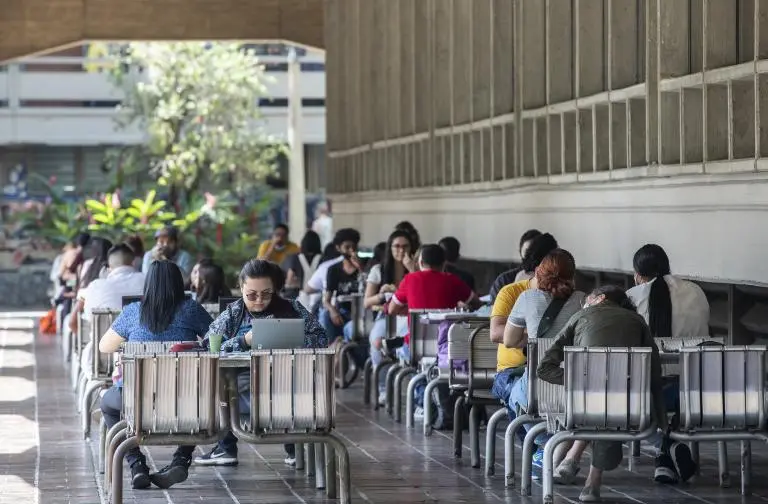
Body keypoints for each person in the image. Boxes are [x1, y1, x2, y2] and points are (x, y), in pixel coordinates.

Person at [536, 285, 666, 502]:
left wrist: (580, 380)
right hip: (628, 409)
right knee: (612, 401)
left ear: (600, 298)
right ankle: (591, 483)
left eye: (588, 298)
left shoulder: (580, 316)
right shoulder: (637, 321)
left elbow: (544, 367)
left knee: (596, 400)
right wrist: (661, 418)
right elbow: (653, 372)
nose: (585, 302)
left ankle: (571, 461)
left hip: (581, 407)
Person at [195, 259, 327, 467]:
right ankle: (226, 447)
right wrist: (243, 341)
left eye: (266, 294)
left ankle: (293, 446)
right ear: (241, 288)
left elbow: (321, 338)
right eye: (251, 295)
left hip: (288, 385)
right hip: (243, 387)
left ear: (275, 289)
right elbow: (209, 347)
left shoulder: (293, 309)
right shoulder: (233, 313)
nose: (259, 300)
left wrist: (293, 340)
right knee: (218, 388)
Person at [98, 261, 214, 490]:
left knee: (107, 404)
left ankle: (136, 464)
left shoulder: (133, 312)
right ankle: (182, 458)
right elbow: (216, 339)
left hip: (136, 401)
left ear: (148, 284)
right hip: (185, 401)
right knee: (210, 402)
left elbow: (104, 346)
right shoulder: (191, 309)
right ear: (178, 284)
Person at [626, 244, 707, 483]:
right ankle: (666, 456)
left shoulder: (631, 297)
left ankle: (665, 447)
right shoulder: (696, 292)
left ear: (638, 274)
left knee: (628, 401)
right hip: (695, 388)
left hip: (650, 392)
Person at [489, 233, 559, 407]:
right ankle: (536, 435)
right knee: (523, 398)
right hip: (510, 372)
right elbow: (496, 333)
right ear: (538, 270)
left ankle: (541, 434)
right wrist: (536, 336)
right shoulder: (511, 292)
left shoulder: (567, 296)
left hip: (550, 369)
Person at [389, 244, 477, 359]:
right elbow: (477, 303)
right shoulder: (453, 281)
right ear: (444, 264)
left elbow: (391, 310)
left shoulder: (409, 279)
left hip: (415, 348)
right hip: (447, 349)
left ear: (420, 263)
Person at [364, 230, 416, 402]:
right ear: (390, 248)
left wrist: (412, 269)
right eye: (396, 246)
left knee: (409, 339)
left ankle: (411, 387)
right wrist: (382, 294)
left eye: (405, 246)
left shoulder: (416, 269)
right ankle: (383, 388)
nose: (400, 250)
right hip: (386, 315)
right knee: (376, 340)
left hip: (408, 315)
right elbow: (367, 302)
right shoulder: (379, 270)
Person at [626, 244, 710, 339]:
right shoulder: (695, 290)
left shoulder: (631, 297)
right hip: (695, 353)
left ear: (638, 275)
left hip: (650, 354)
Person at [68, 244, 145, 334]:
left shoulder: (95, 286)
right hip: (145, 346)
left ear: (109, 267)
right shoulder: (149, 281)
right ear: (134, 263)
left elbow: (72, 322)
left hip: (103, 346)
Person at [320, 228, 363, 344]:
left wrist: (360, 268)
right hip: (343, 311)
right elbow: (326, 300)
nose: (351, 251)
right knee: (324, 314)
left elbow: (369, 287)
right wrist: (333, 310)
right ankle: (330, 348)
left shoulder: (366, 265)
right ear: (339, 248)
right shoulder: (334, 270)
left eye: (354, 247)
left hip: (361, 312)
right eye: (347, 247)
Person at [489, 229, 542, 303]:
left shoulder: (553, 281)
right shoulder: (504, 280)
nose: (532, 256)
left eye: (536, 252)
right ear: (520, 252)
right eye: (527, 251)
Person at [283, 230, 323, 307]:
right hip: (318, 296)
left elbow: (290, 280)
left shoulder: (294, 258)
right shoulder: (323, 259)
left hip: (298, 296)